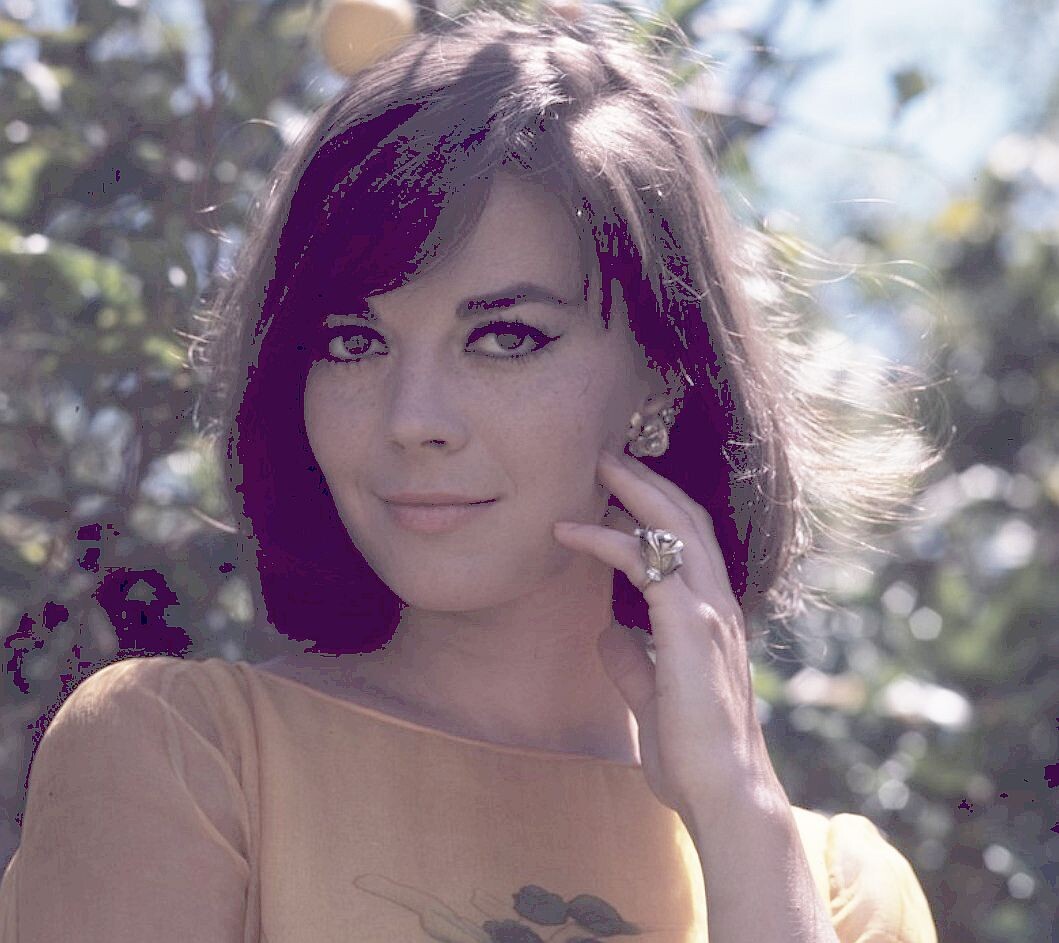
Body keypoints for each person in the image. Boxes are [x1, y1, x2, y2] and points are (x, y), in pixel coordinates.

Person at [0, 4, 943, 941]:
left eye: (504, 338)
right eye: (354, 339)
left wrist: (743, 823)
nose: (412, 420)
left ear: (664, 370)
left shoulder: (842, 892)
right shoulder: (183, 754)